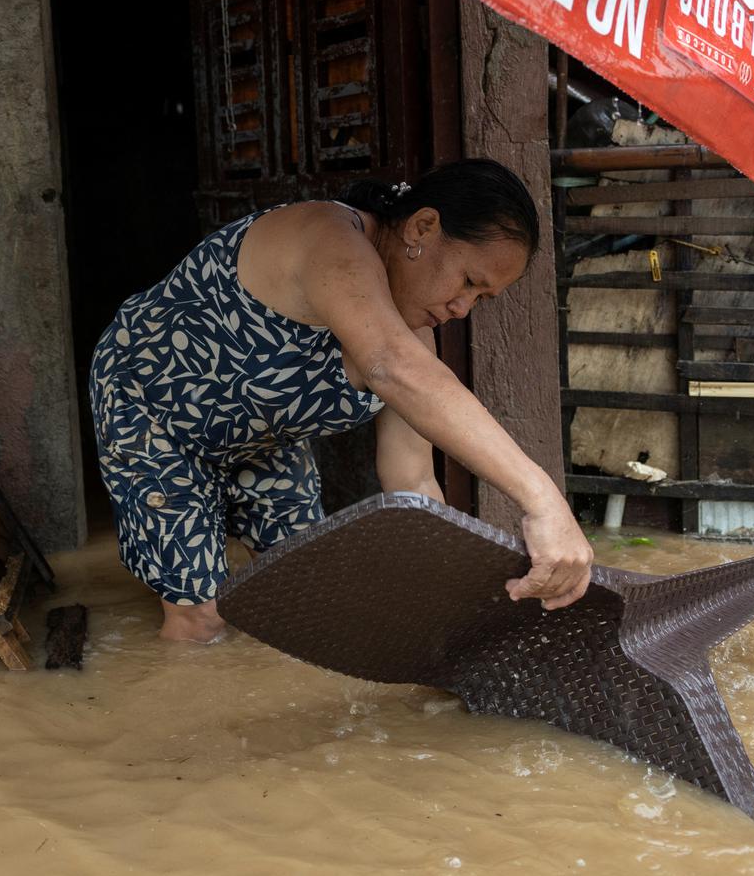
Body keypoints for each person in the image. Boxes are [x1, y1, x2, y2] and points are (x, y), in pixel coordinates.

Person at [88, 159, 592, 642]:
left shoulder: (412, 338)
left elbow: (412, 481)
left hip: (261, 437)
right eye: (468, 281)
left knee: (296, 599)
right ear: (422, 227)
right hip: (152, 411)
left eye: (481, 299)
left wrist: (444, 600)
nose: (462, 308)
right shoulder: (329, 237)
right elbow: (390, 367)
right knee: (200, 616)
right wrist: (543, 501)